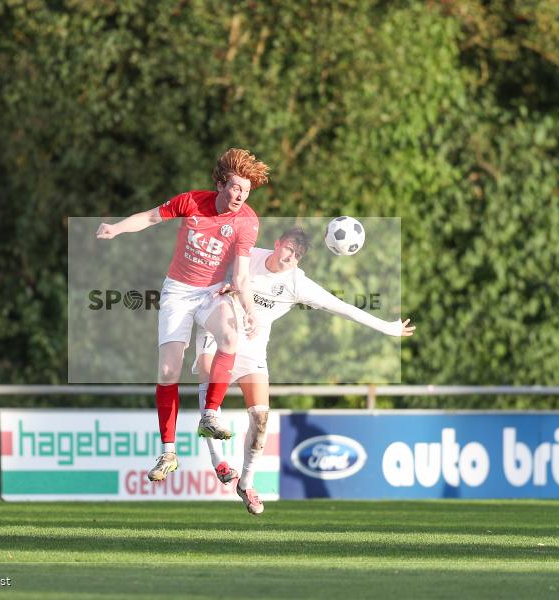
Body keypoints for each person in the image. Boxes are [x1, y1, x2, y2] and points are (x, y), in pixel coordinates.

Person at [192, 227, 415, 514]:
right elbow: (205, 268)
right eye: (288, 248)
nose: (290, 256)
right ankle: (218, 461)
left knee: (260, 418)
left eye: (297, 254)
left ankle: (246, 483)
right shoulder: (249, 257)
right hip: (219, 330)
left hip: (253, 348)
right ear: (276, 244)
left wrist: (388, 328)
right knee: (209, 381)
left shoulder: (298, 284)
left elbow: (343, 308)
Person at [96, 148, 269, 483]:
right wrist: (116, 229)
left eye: (246, 191)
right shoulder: (191, 202)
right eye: (235, 187)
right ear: (220, 184)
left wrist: (248, 308)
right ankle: (168, 452)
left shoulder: (247, 222)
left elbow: (242, 276)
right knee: (167, 370)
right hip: (177, 291)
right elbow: (148, 217)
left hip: (211, 292)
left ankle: (209, 414)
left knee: (231, 337)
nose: (240, 196)